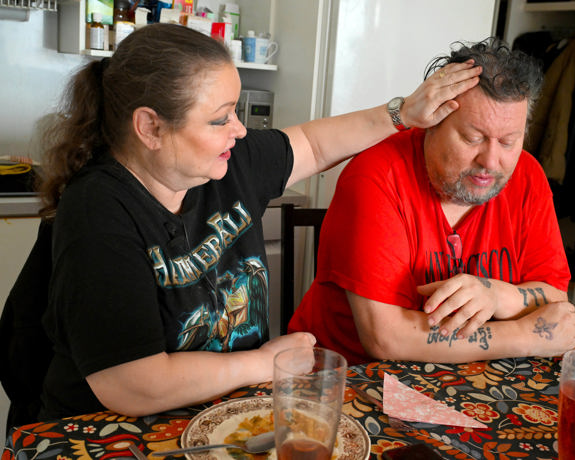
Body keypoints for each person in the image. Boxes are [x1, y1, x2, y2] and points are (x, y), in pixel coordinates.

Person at [17, 23, 481, 422]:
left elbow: (314, 145)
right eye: (220, 119)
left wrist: (403, 113)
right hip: (110, 429)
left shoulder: (225, 163)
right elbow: (133, 383)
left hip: (218, 412)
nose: (239, 130)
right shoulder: (98, 210)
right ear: (150, 127)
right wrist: (262, 365)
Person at [288, 38, 575, 366]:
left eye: (508, 142)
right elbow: (385, 339)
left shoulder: (527, 175)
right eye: (472, 138)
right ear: (432, 123)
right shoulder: (375, 176)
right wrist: (525, 335)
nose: (490, 161)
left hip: (468, 372)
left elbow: (555, 298)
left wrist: (499, 295)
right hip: (349, 374)